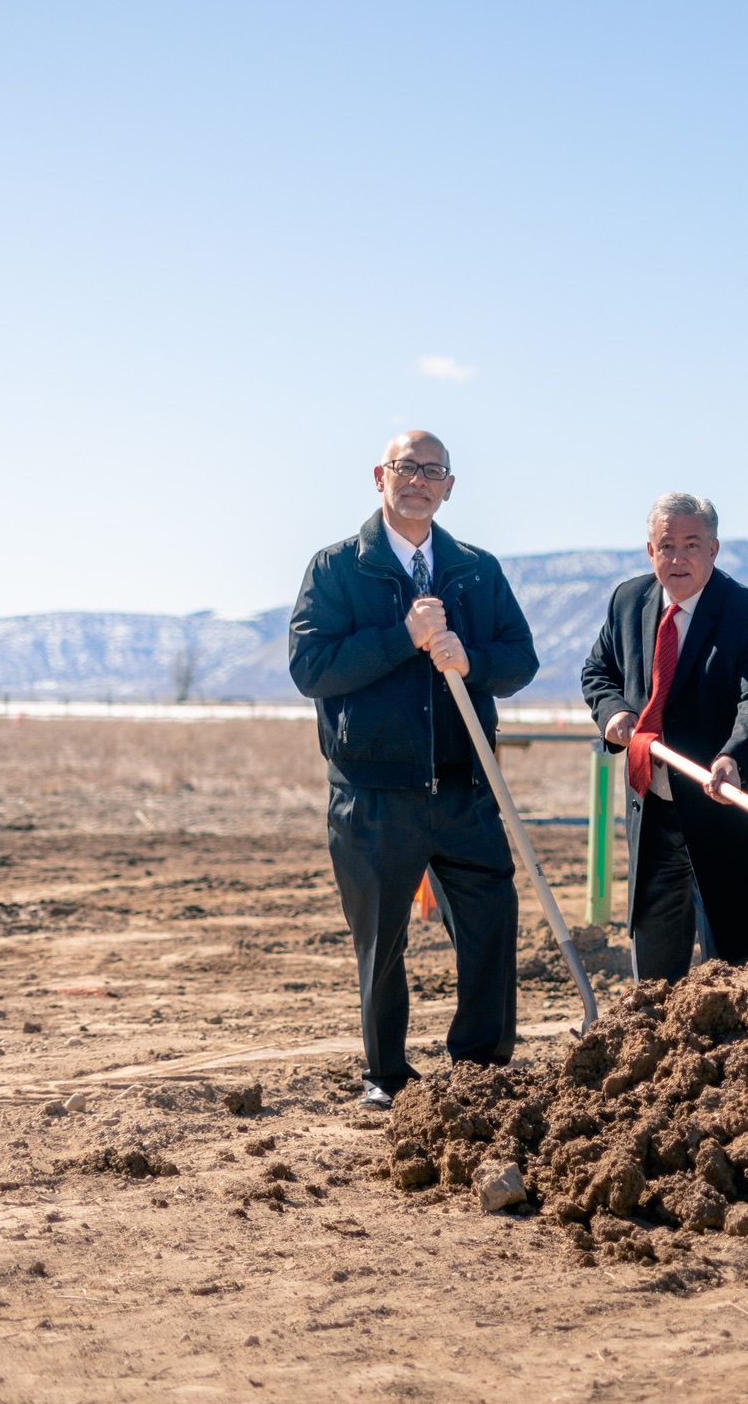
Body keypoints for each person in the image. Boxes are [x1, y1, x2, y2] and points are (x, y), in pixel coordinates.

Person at [287, 431, 538, 1109]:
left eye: (433, 471)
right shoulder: (339, 568)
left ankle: (481, 1066)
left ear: (449, 486)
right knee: (383, 943)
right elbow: (312, 669)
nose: (419, 481)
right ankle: (386, 1078)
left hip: (463, 789)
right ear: (380, 477)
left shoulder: (476, 570)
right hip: (374, 794)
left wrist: (471, 660)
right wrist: (403, 639)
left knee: (490, 924)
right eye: (406, 468)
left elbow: (519, 660)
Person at [583, 493, 748, 980]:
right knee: (654, 968)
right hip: (656, 809)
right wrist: (613, 713)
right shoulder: (629, 601)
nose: (677, 558)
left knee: (727, 968)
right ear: (650, 551)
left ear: (714, 549)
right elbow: (598, 672)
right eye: (666, 545)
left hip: (723, 812)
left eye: (691, 544)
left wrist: (733, 757)